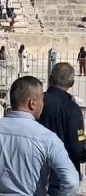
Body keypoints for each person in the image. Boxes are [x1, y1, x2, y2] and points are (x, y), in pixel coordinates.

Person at [0, 76, 79, 195]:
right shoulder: (47, 138)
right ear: (32, 103)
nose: (43, 104)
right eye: (42, 100)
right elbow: (71, 181)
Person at [39, 62, 86, 194]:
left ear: (50, 78)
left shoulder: (37, 102)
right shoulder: (72, 109)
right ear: (71, 84)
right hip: (62, 178)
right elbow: (78, 147)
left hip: (36, 173)